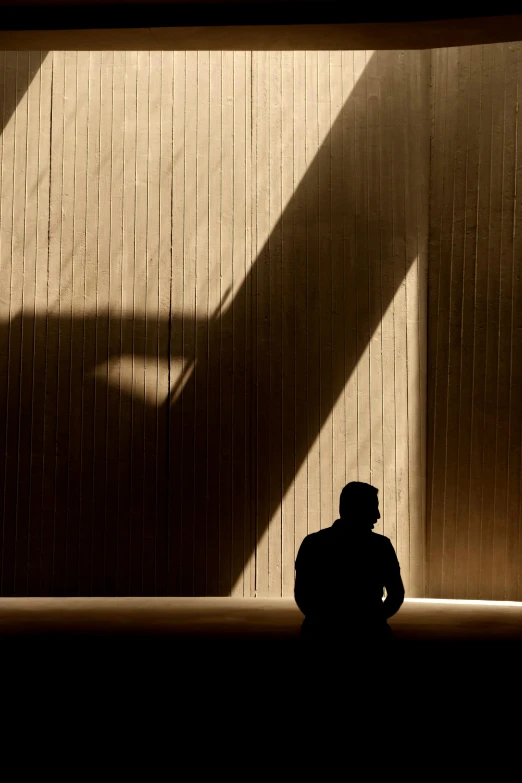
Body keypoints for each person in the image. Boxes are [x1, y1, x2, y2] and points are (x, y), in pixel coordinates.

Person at [294, 481, 404, 646]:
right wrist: (373, 619)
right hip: (371, 635)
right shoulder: (381, 546)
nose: (378, 515)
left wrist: (323, 621)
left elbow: (303, 595)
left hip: (319, 635)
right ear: (359, 509)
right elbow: (396, 595)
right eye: (373, 507)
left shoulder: (313, 543)